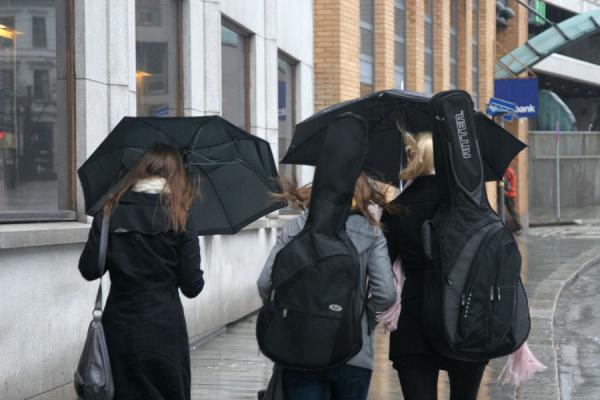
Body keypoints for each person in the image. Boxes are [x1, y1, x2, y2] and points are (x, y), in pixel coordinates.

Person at [78, 144, 205, 400]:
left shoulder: (110, 211)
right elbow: (192, 287)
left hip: (120, 329)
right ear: (175, 175)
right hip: (165, 332)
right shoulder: (180, 216)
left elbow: (90, 269)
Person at [257, 173, 397, 400]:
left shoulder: (296, 228)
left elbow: (265, 283)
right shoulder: (371, 232)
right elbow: (386, 294)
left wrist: (290, 315)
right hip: (354, 351)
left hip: (302, 350)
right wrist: (363, 318)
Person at [380, 132, 488, 400]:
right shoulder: (469, 205)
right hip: (464, 319)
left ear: (414, 159)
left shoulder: (397, 209)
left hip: (414, 322)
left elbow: (383, 266)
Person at [504, 166, 522, 233]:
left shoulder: (508, 172)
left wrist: (506, 190)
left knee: (512, 212)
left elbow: (508, 185)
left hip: (509, 195)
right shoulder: (510, 170)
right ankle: (517, 226)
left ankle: (518, 226)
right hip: (511, 194)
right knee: (512, 211)